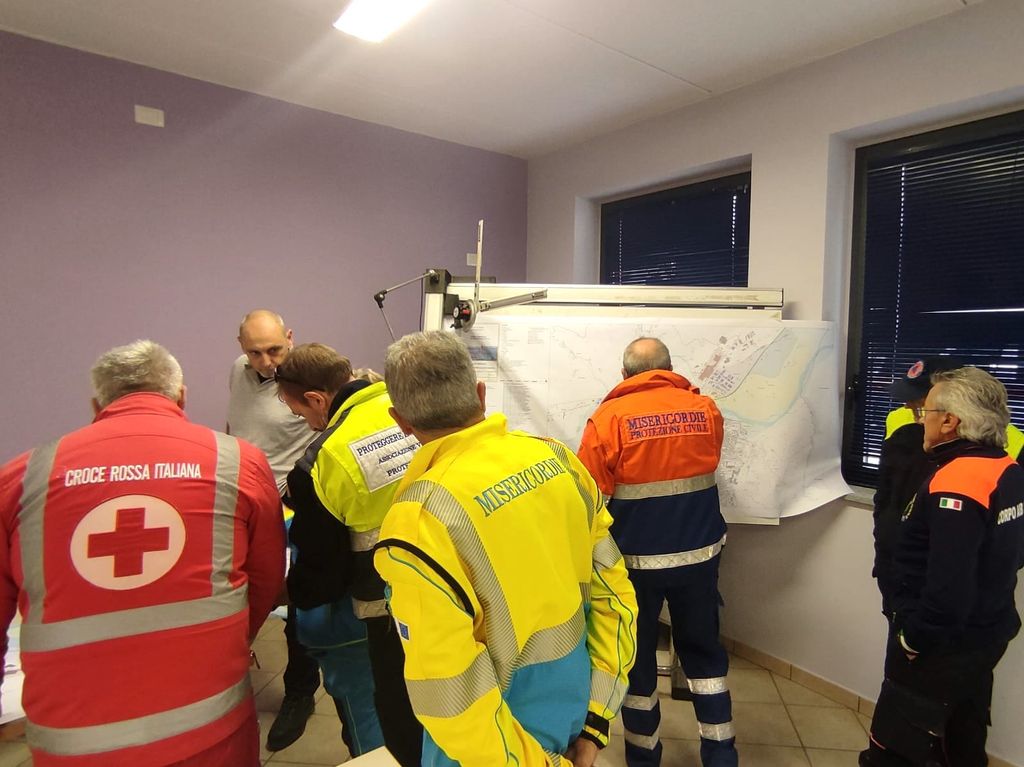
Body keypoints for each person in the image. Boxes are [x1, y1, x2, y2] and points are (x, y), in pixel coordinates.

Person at [0, 340, 285, 766]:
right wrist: (237, 638)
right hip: (209, 729)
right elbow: (266, 579)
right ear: (181, 396)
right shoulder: (235, 462)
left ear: (97, 404)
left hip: (73, 741)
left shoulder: (23, 478)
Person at [374, 330, 638, 767]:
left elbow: (451, 698)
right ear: (480, 394)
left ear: (400, 420)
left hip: (490, 752)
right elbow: (616, 598)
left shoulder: (418, 522)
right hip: (572, 718)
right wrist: (596, 719)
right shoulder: (558, 461)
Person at [577, 336, 737, 767]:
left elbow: (589, 499)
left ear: (625, 374)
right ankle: (721, 756)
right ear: (667, 369)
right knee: (704, 654)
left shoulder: (607, 419)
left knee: (637, 660)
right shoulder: (705, 410)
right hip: (699, 559)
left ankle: (644, 758)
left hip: (634, 566)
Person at [861, 366, 1024, 766]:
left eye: (927, 412)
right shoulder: (1006, 468)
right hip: (986, 633)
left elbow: (947, 584)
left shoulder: (958, 482)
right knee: (963, 737)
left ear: (950, 421)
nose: (921, 421)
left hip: (940, 647)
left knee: (896, 748)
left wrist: (914, 639)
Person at [275, 343, 421, 766]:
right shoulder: (410, 406)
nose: (306, 424)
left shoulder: (321, 461)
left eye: (300, 413)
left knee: (381, 721)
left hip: (378, 613)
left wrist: (288, 593)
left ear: (317, 400)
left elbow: (321, 570)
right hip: (445, 595)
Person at [226, 309, 322, 752]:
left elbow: (325, 438)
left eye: (274, 350)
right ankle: (227, 682)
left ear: (291, 337)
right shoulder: (238, 370)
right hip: (245, 497)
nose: (266, 362)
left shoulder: (307, 380)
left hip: (288, 503)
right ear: (241, 348)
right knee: (236, 591)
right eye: (255, 353)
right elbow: (238, 427)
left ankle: (299, 693)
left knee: (296, 600)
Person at [874, 357, 1024, 618]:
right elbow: (886, 499)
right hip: (900, 578)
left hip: (964, 607)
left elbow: (1011, 537)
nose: (910, 406)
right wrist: (886, 558)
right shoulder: (900, 423)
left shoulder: (1006, 448)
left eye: (922, 401)